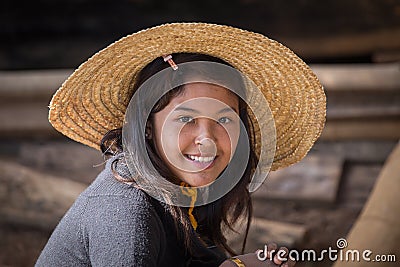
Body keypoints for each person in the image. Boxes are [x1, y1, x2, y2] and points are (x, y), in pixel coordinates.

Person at [36, 23, 325, 267]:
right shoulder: (125, 214)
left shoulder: (184, 193)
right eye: (186, 118)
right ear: (147, 126)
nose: (207, 139)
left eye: (224, 120)